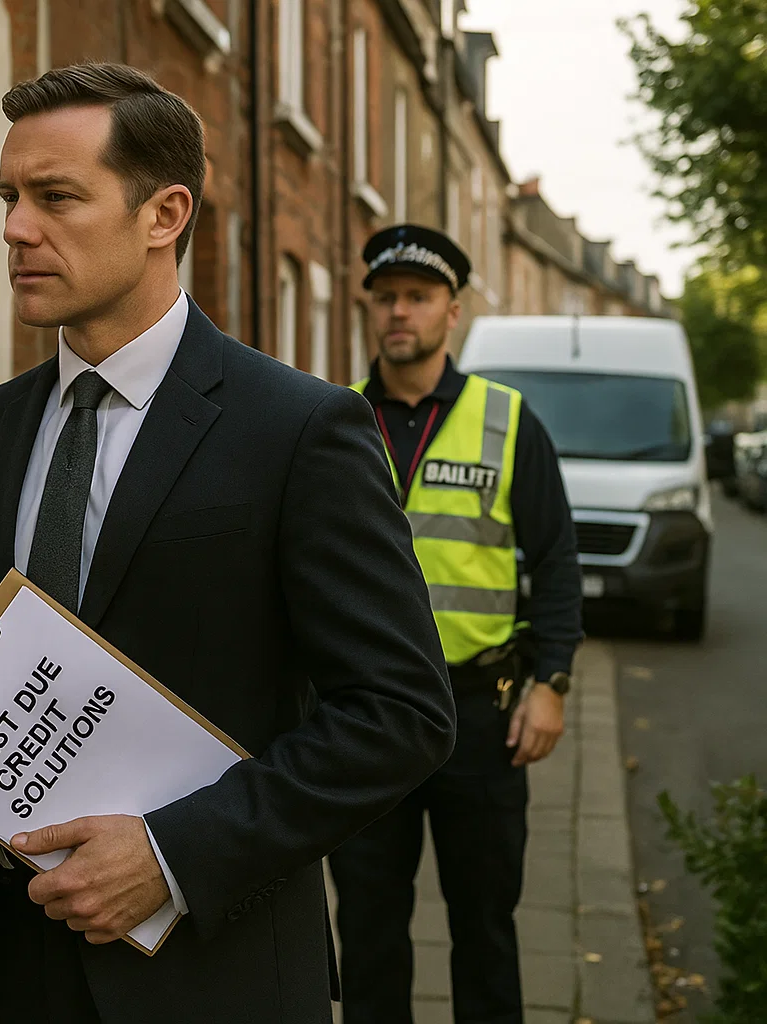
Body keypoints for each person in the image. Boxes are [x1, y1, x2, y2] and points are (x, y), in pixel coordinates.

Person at [0, 65, 457, 1024]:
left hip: (205, 971)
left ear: (164, 213)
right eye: (11, 198)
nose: (15, 228)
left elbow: (401, 713)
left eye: (56, 197)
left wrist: (174, 854)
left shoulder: (300, 429)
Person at [330, 224, 584, 1024]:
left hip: (481, 714)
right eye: (387, 297)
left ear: (453, 312)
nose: (399, 311)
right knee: (367, 930)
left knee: (486, 926)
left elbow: (557, 565)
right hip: (362, 716)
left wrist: (552, 684)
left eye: (419, 297)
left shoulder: (509, 422)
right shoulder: (329, 422)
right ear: (371, 309)